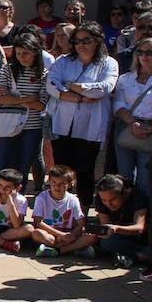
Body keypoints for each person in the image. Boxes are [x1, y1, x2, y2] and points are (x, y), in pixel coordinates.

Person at [47, 22, 118, 203]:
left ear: (97, 41)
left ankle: (83, 215)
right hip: (63, 126)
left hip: (90, 127)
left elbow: (103, 89)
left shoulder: (109, 63)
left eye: (86, 40)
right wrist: (80, 97)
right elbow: (52, 85)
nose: (81, 45)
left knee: (85, 171)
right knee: (62, 172)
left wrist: (70, 86)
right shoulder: (63, 61)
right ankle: (62, 212)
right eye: (77, 41)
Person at [0, 33, 48, 192]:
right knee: (0, 165)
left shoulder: (44, 74)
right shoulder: (8, 69)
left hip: (32, 127)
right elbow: (1, 98)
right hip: (7, 126)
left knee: (23, 167)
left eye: (26, 53)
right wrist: (28, 99)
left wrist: (15, 98)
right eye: (18, 53)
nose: (22, 57)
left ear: (35, 52)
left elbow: (41, 105)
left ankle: (16, 203)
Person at [112, 37, 152, 195]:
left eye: (149, 52)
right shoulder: (125, 78)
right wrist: (133, 123)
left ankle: (141, 217)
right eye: (140, 52)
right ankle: (124, 216)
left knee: (145, 178)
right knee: (124, 177)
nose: (144, 56)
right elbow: (118, 105)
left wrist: (148, 127)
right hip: (126, 126)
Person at [87, 174, 148, 268]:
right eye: (104, 200)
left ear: (123, 193)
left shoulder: (138, 196)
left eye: (113, 199)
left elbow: (140, 228)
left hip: (144, 237)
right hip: (120, 238)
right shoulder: (100, 198)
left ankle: (137, 256)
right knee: (106, 242)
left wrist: (116, 228)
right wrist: (101, 232)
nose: (108, 204)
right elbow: (106, 227)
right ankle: (137, 256)